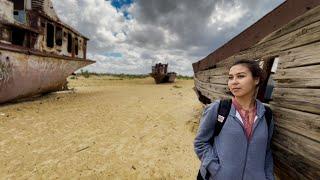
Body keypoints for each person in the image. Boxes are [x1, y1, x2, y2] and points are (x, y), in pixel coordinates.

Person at [194, 59, 275, 180]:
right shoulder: (218, 108)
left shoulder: (266, 114)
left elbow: (266, 151)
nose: (234, 82)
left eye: (240, 76)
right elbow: (200, 142)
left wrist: (268, 177)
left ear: (256, 80)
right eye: (230, 78)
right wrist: (214, 168)